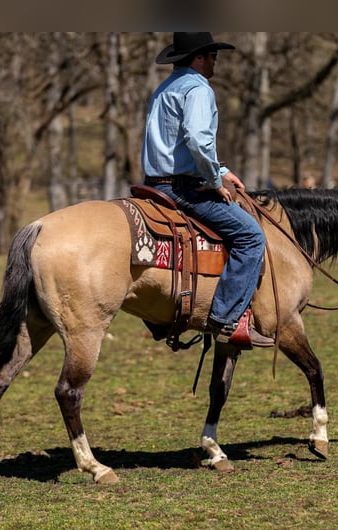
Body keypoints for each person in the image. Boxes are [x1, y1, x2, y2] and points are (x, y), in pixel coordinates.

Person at [141, 32, 274, 350]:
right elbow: (198, 140)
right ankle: (225, 319)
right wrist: (215, 181)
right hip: (181, 188)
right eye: (213, 55)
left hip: (153, 184)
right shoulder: (198, 88)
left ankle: (159, 313)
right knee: (251, 237)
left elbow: (178, 143)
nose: (216, 61)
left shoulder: (165, 88)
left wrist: (223, 170)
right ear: (199, 57)